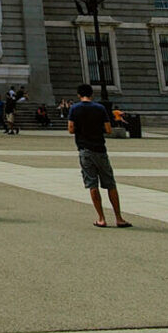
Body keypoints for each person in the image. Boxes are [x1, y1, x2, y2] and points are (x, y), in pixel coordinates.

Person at [68, 85, 131, 228]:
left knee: (92, 185)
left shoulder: (74, 109)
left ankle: (101, 218)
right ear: (92, 94)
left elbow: (71, 129)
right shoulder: (100, 108)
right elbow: (108, 129)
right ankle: (119, 218)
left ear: (79, 95)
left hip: (85, 150)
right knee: (110, 184)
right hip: (100, 149)